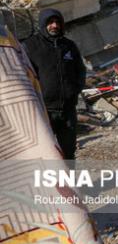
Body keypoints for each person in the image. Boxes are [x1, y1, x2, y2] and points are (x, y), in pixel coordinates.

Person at [23, 9, 85, 159]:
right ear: (43, 24)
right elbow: (24, 75)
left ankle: (69, 182)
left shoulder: (68, 46)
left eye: (57, 22)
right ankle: (51, 183)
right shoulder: (30, 46)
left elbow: (80, 70)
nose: (54, 25)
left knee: (69, 150)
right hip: (44, 111)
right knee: (48, 154)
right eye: (50, 22)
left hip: (67, 109)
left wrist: (75, 89)